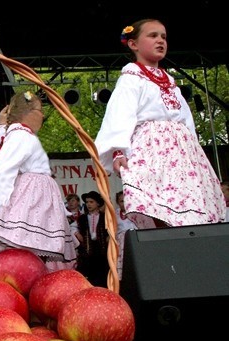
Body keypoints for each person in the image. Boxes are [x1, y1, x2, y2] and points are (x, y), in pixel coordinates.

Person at [95, 18, 225, 227]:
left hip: (182, 153)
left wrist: (193, 148)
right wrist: (117, 150)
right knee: (156, 203)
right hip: (151, 150)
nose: (160, 41)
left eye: (163, 37)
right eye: (153, 35)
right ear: (133, 44)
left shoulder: (169, 82)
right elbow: (120, 114)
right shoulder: (132, 78)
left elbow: (185, 119)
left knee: (189, 205)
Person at [0, 91, 76, 264]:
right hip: (31, 196)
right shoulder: (21, 135)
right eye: (39, 110)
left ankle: (32, 270)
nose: (42, 115)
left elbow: (5, 146)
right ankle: (26, 271)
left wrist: (3, 127)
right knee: (27, 244)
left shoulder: (20, 134)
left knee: (32, 246)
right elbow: (5, 163)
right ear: (27, 113)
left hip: (35, 195)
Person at [75, 191, 109, 287]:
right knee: (88, 272)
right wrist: (77, 234)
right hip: (87, 249)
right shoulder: (82, 218)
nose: (88, 204)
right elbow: (74, 228)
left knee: (102, 272)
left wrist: (109, 237)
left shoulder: (104, 217)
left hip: (102, 249)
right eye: (87, 202)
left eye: (91, 202)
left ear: (98, 203)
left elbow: (111, 230)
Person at [114, 190, 137, 280]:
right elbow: (113, 228)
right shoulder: (115, 213)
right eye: (122, 201)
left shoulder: (137, 212)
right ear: (118, 203)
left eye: (127, 200)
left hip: (134, 240)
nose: (125, 203)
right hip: (121, 242)